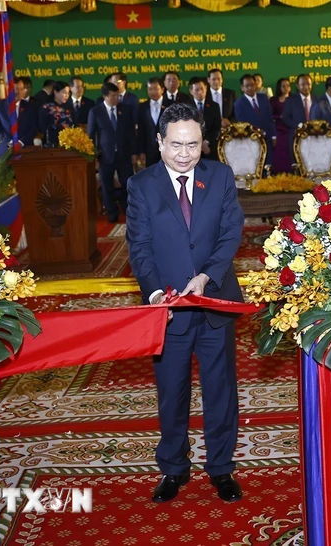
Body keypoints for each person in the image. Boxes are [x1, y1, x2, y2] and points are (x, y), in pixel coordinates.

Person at [125, 102, 245, 505]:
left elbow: (231, 233)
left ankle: (222, 468)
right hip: (169, 309)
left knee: (220, 389)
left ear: (202, 142)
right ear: (159, 142)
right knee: (172, 391)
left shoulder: (221, 176)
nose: (184, 153)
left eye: (193, 145)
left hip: (214, 303)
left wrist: (207, 275)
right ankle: (174, 468)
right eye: (175, 145)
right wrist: (156, 293)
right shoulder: (141, 185)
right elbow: (140, 247)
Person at [87, 82, 137, 222]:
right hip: (105, 156)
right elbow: (91, 136)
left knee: (127, 184)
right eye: (113, 96)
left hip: (124, 154)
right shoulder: (95, 112)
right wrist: (94, 157)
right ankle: (112, 213)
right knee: (107, 186)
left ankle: (128, 211)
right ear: (105, 96)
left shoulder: (125, 110)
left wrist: (134, 153)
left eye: (117, 95)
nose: (116, 98)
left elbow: (131, 133)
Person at [234, 74, 276, 170]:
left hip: (268, 138)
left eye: (252, 85)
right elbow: (243, 125)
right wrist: (256, 134)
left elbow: (270, 118)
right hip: (251, 141)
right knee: (256, 167)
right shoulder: (239, 104)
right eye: (247, 86)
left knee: (268, 166)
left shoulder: (264, 98)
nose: (250, 88)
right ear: (242, 88)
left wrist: (274, 135)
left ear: (256, 85)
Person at [0, 77, 39, 156]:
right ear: (8, 89)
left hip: (25, 148)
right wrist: (11, 142)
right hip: (5, 147)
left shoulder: (30, 107)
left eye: (21, 89)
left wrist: (20, 142)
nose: (18, 92)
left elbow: (33, 128)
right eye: (15, 89)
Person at [282, 74, 319, 162]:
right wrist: (299, 125)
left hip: (315, 138)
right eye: (303, 84)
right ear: (297, 86)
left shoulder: (317, 100)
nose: (306, 87)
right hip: (297, 137)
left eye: (308, 84)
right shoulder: (290, 100)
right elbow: (285, 118)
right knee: (298, 163)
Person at [187, 77, 222, 161]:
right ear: (191, 91)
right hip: (191, 148)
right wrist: (198, 143)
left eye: (202, 89)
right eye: (197, 90)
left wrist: (206, 142)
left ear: (206, 88)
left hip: (210, 147)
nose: (200, 92)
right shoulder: (186, 107)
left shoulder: (214, 106)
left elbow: (216, 128)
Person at [137, 77, 166, 168]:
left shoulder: (171, 105)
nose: (153, 92)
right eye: (150, 89)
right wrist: (141, 151)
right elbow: (141, 131)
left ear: (162, 89)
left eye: (156, 89)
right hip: (149, 151)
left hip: (167, 149)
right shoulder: (142, 107)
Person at [38, 81, 74, 147]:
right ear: (55, 92)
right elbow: (43, 128)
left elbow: (75, 125)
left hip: (69, 143)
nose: (67, 95)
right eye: (64, 92)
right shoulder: (46, 108)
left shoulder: (69, 107)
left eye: (68, 93)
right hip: (52, 144)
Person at [269, 77, 293, 173]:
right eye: (283, 86)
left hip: (290, 129)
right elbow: (269, 115)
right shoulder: (273, 100)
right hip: (278, 129)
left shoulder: (294, 100)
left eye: (288, 85)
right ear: (279, 87)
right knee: (279, 151)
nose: (286, 88)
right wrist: (280, 117)